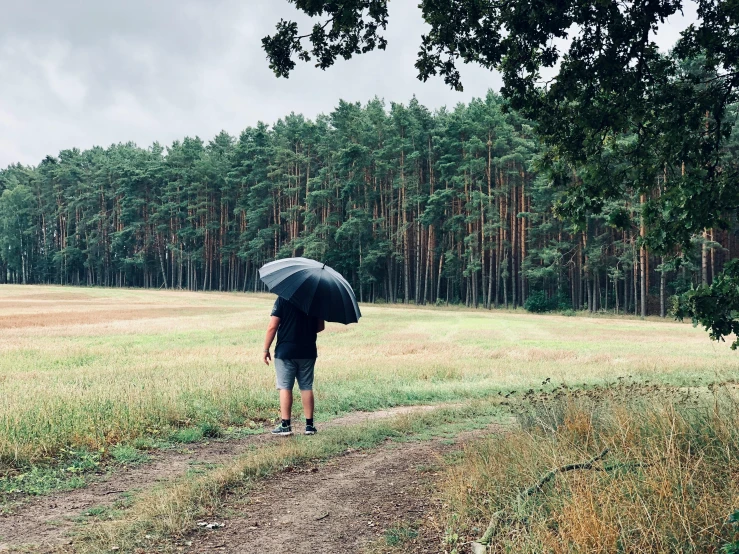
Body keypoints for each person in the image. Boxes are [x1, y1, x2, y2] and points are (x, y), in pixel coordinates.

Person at [262, 296, 325, 436]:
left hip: (286, 351)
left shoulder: (283, 299)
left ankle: (285, 425)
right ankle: (309, 426)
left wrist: (266, 349)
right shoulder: (315, 300)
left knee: (285, 386)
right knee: (306, 386)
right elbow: (320, 327)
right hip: (308, 351)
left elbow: (273, 326)